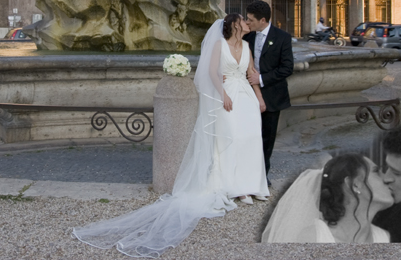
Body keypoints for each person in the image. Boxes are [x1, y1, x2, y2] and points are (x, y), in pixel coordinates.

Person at [73, 15, 269, 257]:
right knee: (230, 140)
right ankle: (238, 188)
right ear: (235, 25)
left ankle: (252, 184)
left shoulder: (247, 46)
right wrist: (222, 95)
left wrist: (259, 99)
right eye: (244, 20)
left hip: (246, 99)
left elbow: (252, 73)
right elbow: (210, 71)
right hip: (227, 97)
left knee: (249, 140)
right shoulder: (219, 45)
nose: (248, 23)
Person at [262, 153, 394, 243]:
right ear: (354, 184)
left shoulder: (383, 238)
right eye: (377, 171)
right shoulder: (313, 238)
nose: (387, 179)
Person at [244, 0, 294, 185]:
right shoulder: (247, 37)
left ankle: (261, 178)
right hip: (247, 94)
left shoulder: (282, 37)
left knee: (267, 138)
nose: (247, 23)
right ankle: (245, 175)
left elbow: (287, 68)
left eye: (250, 20)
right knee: (248, 136)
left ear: (262, 20)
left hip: (272, 95)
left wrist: (262, 79)